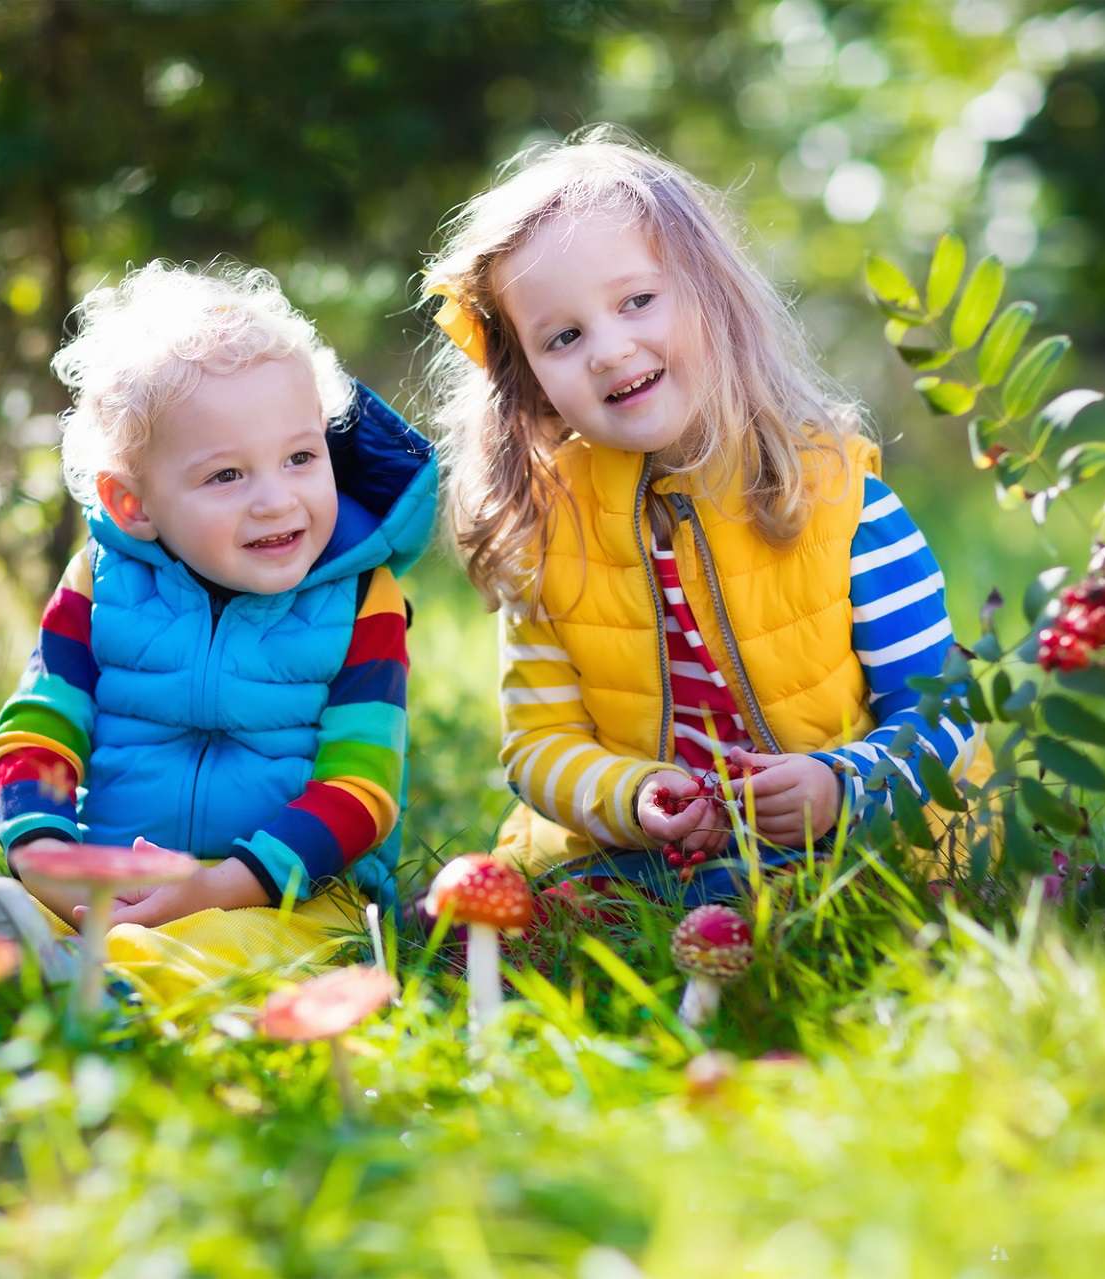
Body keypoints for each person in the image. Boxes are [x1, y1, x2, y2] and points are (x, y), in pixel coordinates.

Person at [421, 128, 989, 906]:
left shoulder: (836, 497)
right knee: (539, 919)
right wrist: (633, 794)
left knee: (848, 900)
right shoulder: (550, 532)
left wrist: (838, 784)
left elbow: (942, 707)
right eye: (564, 336)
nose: (610, 349)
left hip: (856, 834)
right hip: (642, 853)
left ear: (713, 296)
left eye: (637, 301)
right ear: (529, 377)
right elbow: (538, 745)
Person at [0, 260, 434, 1001]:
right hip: (119, 875)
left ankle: (104, 992)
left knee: (227, 950)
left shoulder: (361, 600)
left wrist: (223, 884)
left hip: (295, 893)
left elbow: (361, 788)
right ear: (134, 504)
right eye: (227, 476)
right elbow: (38, 728)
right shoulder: (101, 582)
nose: (278, 500)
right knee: (13, 914)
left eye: (301, 457)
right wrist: (43, 849)